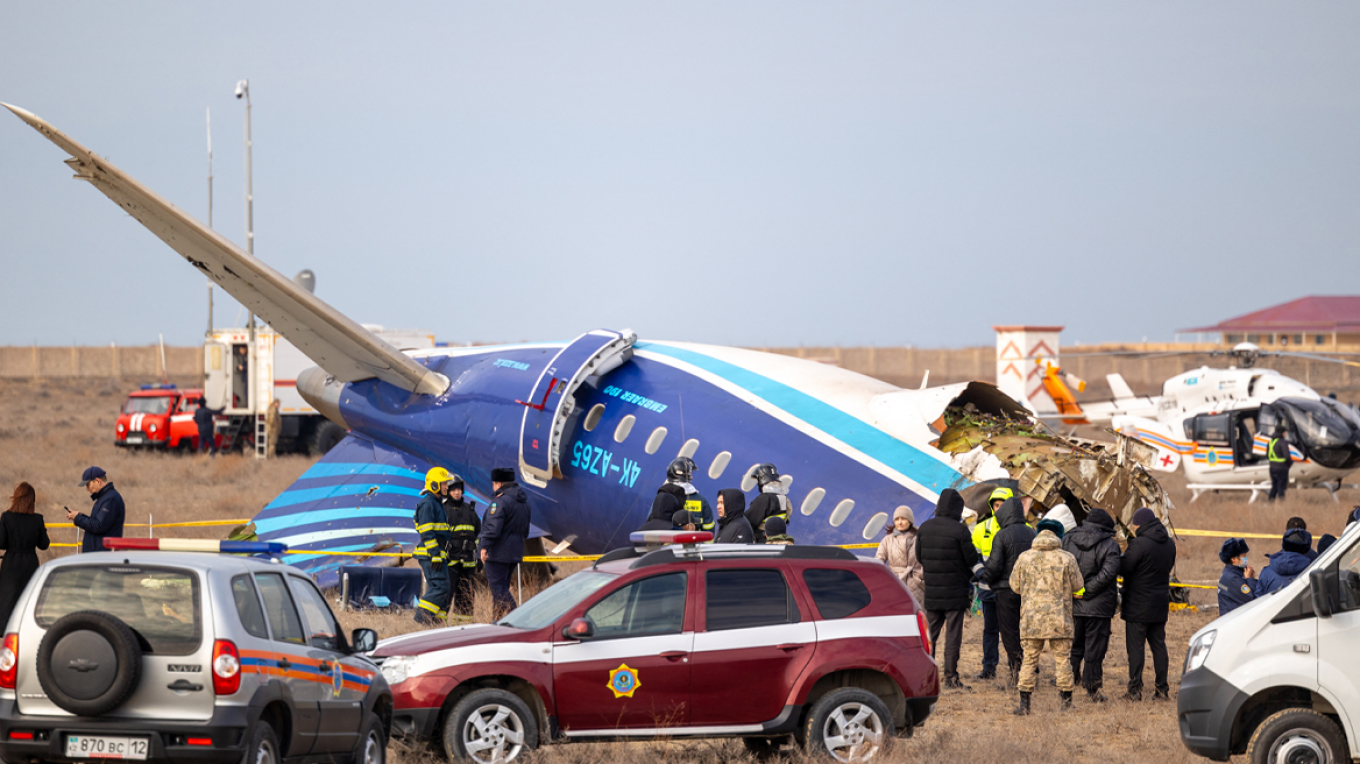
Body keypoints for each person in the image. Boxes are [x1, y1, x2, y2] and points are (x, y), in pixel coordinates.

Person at [1008, 518, 1084, 715]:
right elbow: (1078, 585)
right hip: (1060, 619)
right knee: (1063, 660)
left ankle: (1024, 705)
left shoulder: (1024, 558)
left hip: (1032, 619)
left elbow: (1015, 586)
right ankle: (1066, 704)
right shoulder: (1067, 558)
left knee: (1029, 660)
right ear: (1058, 535)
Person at [915, 488, 984, 691]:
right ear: (957, 509)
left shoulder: (925, 527)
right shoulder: (960, 530)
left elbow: (919, 556)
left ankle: (926, 677)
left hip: (933, 591)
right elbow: (971, 558)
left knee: (931, 635)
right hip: (955, 591)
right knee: (953, 635)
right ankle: (950, 678)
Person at [1063, 507, 1121, 702]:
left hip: (1073, 601)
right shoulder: (1110, 545)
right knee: (1095, 648)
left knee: (1074, 645)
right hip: (1099, 606)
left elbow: (1062, 566)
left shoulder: (1069, 538)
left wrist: (1075, 589)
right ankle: (1092, 689)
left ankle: (1068, 682)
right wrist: (1086, 591)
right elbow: (1108, 573)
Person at [1120, 507, 1177, 701]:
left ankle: (1135, 690)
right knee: (1159, 646)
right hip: (1160, 603)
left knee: (1136, 649)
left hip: (1138, 604)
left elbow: (1125, 569)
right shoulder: (1169, 543)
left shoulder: (1139, 544)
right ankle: (1162, 689)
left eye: (1135, 524)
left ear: (1140, 524)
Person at [983, 496, 1035, 686]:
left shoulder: (1002, 535)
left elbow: (995, 566)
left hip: (1006, 591)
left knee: (1009, 632)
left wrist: (986, 577)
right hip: (1029, 591)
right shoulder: (1032, 533)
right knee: (1027, 632)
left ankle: (1017, 672)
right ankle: (1030, 671)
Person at [970, 486, 1012, 681]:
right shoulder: (981, 528)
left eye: (1002, 505)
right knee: (990, 630)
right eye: (996, 505)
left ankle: (1020, 665)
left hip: (1012, 591)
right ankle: (989, 667)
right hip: (988, 589)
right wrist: (981, 574)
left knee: (1014, 630)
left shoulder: (1023, 529)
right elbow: (974, 556)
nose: (999, 509)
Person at [480, 467, 531, 617]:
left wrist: (484, 546)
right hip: (514, 552)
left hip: (498, 553)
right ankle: (498, 623)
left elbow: (492, 528)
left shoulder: (500, 502)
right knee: (502, 588)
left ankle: (517, 619)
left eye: (494, 484)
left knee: (498, 588)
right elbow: (526, 531)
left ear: (498, 483)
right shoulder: (524, 503)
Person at [0, 483, 50, 629]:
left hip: (10, 565)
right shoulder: (37, 519)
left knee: (7, 599)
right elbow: (44, 544)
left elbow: (1, 543)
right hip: (30, 564)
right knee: (28, 599)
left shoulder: (7, 517)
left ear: (16, 498)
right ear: (32, 501)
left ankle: (6, 631)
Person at [412, 468, 454, 624]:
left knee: (444, 587)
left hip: (437, 554)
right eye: (444, 484)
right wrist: (435, 554)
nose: (447, 487)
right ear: (435, 484)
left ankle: (435, 621)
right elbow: (427, 532)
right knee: (440, 588)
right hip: (430, 555)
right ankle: (421, 618)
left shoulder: (437, 503)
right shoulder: (427, 503)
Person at [441, 474, 481, 618]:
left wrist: (479, 557)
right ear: (448, 491)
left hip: (468, 564)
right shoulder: (443, 510)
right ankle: (438, 630)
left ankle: (463, 629)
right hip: (449, 562)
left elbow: (479, 533)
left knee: (467, 598)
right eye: (453, 489)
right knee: (445, 596)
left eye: (459, 489)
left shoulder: (470, 511)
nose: (457, 492)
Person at [67, 467, 125, 553]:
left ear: (98, 481)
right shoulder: (104, 498)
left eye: (88, 485)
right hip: (98, 555)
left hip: (103, 557)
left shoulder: (110, 499)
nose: (87, 489)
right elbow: (97, 522)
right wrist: (80, 516)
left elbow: (98, 526)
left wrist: (78, 518)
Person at [876, 506, 925, 604]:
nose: (900, 522)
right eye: (897, 519)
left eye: (903, 519)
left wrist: (921, 576)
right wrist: (885, 579)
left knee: (917, 616)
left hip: (917, 586)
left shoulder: (919, 538)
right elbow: (879, 560)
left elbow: (928, 559)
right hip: (894, 585)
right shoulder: (887, 540)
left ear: (910, 521)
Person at [1256, 529, 1312, 596]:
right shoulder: (1312, 574)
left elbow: (1258, 599)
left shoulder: (1266, 572)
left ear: (1284, 547)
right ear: (1306, 551)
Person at [665, 458, 714, 535]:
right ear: (689, 477)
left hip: (669, 545)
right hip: (693, 544)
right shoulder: (702, 501)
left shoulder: (663, 498)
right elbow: (709, 530)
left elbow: (654, 521)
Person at [746, 463, 793, 544]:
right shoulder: (784, 498)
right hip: (778, 541)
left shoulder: (764, 499)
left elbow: (748, 520)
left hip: (762, 541)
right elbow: (787, 517)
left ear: (762, 479)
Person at [1217, 538, 1257, 615]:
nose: (1245, 558)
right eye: (1243, 556)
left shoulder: (1236, 573)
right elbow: (1251, 599)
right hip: (1233, 622)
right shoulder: (1232, 578)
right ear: (1233, 559)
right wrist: (1250, 579)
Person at [1267, 426, 1293, 502]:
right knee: (1281, 486)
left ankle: (1270, 501)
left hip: (1272, 467)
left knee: (1274, 486)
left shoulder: (1271, 442)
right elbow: (1287, 456)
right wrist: (1290, 464)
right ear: (1283, 433)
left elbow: (1267, 455)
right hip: (1282, 468)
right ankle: (1282, 503)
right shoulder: (1282, 442)